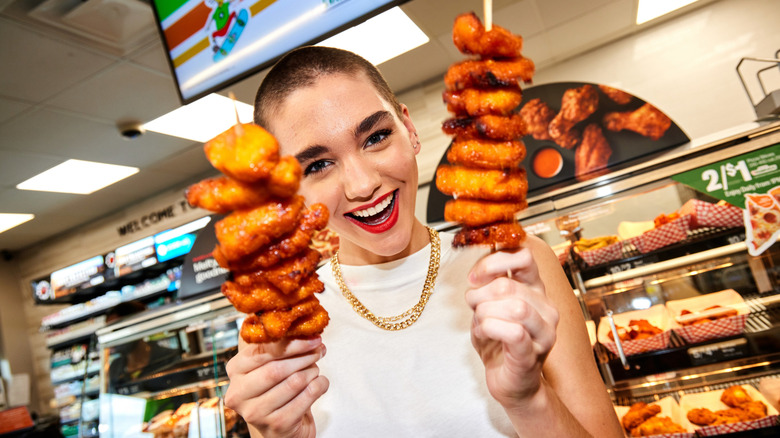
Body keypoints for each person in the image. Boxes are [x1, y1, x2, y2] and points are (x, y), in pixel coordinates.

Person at [224, 46, 624, 438]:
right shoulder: (277, 328)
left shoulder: (517, 264)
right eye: (318, 165)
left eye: (376, 136)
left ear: (409, 130)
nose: (363, 185)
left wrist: (529, 400)